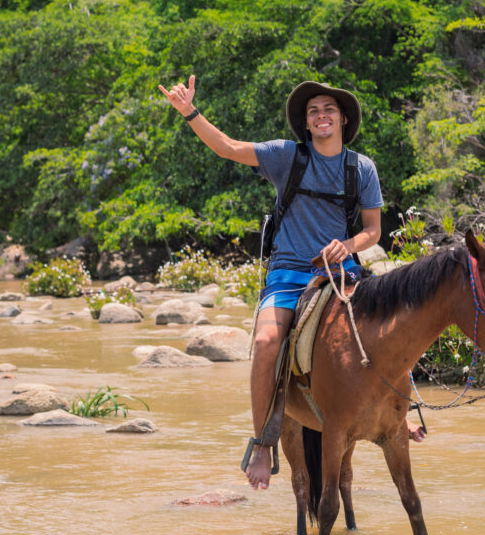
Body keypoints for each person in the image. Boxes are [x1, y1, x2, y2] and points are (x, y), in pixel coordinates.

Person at [159, 75, 426, 491]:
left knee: (393, 324)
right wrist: (189, 111)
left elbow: (373, 231)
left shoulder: (362, 168)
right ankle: (263, 441)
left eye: (329, 110)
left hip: (340, 273)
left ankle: (399, 410)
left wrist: (346, 245)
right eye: (313, 111)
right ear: (306, 123)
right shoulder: (287, 157)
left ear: (343, 119)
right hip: (288, 272)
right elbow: (227, 148)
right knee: (267, 343)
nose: (321, 116)